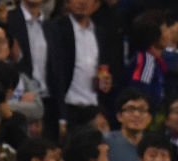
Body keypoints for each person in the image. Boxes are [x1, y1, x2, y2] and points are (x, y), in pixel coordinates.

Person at [45, 0, 121, 133]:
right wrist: (61, 116)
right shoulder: (54, 28)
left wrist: (106, 82)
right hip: (66, 107)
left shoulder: (101, 33)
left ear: (96, 5)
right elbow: (54, 73)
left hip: (93, 108)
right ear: (67, 2)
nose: (83, 2)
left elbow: (106, 69)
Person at [103, 89, 152, 161]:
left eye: (142, 110)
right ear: (119, 116)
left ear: (149, 118)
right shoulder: (105, 141)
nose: (136, 114)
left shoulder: (154, 145)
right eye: (130, 109)